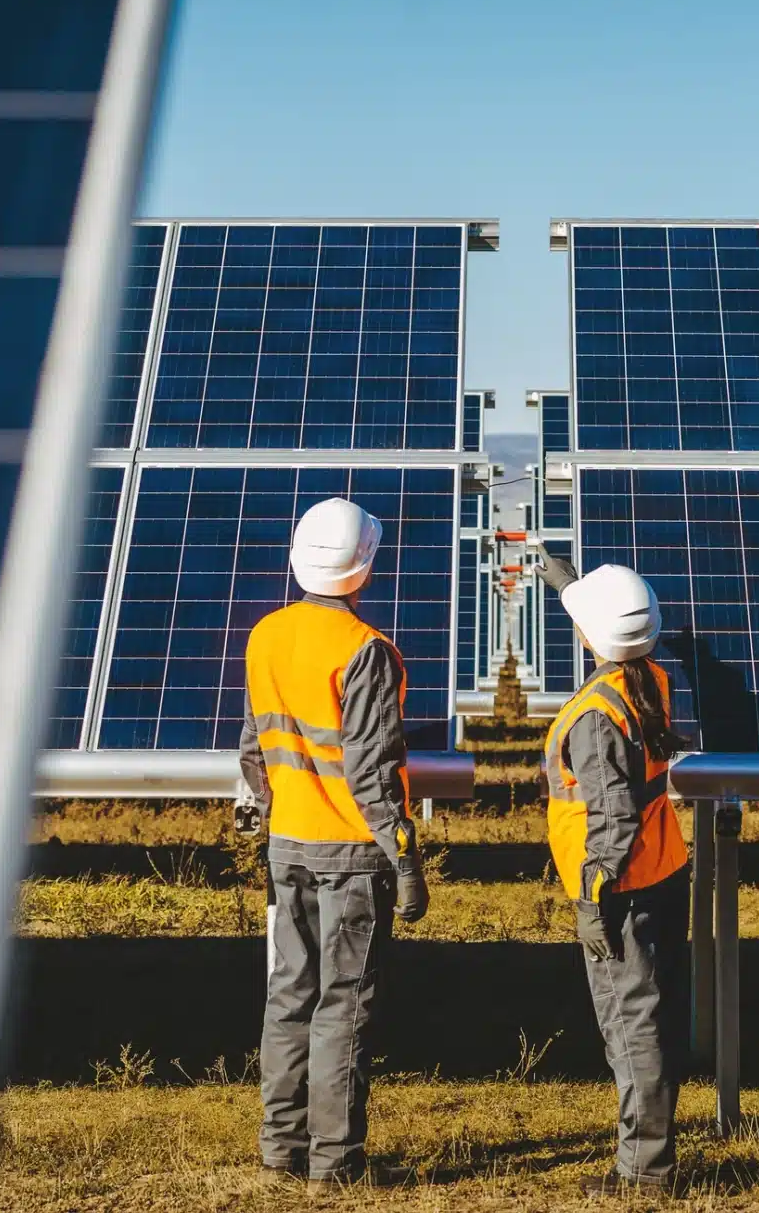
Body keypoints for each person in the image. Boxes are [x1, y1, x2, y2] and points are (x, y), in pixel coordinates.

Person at [239, 497, 430, 1190]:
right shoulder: (365, 651)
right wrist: (405, 859)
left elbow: (255, 747)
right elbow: (374, 772)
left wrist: (274, 811)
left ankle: (279, 1153)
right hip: (351, 854)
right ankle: (334, 1167)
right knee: (342, 1008)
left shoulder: (265, 635)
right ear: (364, 567)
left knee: (288, 997)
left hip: (286, 843)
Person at [535, 548, 691, 1197]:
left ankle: (644, 1175)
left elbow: (613, 817)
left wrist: (590, 901)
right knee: (650, 1017)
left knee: (631, 1027)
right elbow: (616, 634)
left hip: (619, 890)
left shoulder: (596, 715)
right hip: (660, 870)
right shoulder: (649, 678)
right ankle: (648, 1158)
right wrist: (573, 588)